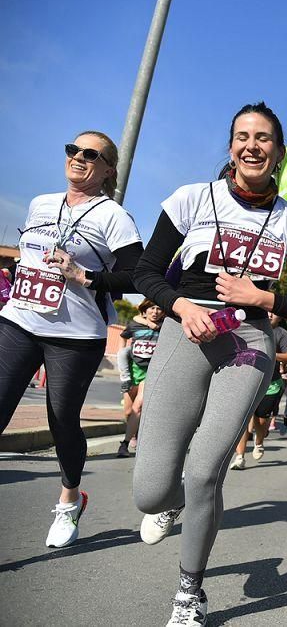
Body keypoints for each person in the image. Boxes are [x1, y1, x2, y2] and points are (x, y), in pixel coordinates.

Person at [131, 102, 287, 626]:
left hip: (247, 342)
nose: (252, 145)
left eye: (263, 138)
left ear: (279, 152)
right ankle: (172, 503)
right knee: (149, 490)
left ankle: (189, 591)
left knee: (204, 472)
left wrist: (265, 300)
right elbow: (147, 272)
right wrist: (180, 305)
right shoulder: (192, 198)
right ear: (230, 147)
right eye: (242, 136)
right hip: (185, 331)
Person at [0, 131, 143, 548]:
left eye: (90, 154)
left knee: (62, 420)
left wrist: (86, 276)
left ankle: (69, 498)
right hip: (20, 320)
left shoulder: (113, 216)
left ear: (107, 169)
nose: (78, 158)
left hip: (74, 335)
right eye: (72, 150)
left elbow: (136, 275)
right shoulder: (41, 203)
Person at [231, 313, 287, 469]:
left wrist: (271, 354)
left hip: (270, 383)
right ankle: (240, 457)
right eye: (266, 310)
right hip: (245, 380)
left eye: (273, 311)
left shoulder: (281, 333)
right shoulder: (247, 326)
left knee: (261, 420)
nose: (269, 314)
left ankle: (259, 442)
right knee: (243, 420)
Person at [117, 299, 166, 458]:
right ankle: (134, 434)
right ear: (145, 310)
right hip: (132, 371)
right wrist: (122, 352)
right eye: (152, 308)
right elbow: (123, 336)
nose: (155, 312)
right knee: (128, 411)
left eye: (159, 308)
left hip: (151, 372)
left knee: (138, 407)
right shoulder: (135, 325)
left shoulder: (165, 327)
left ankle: (123, 445)